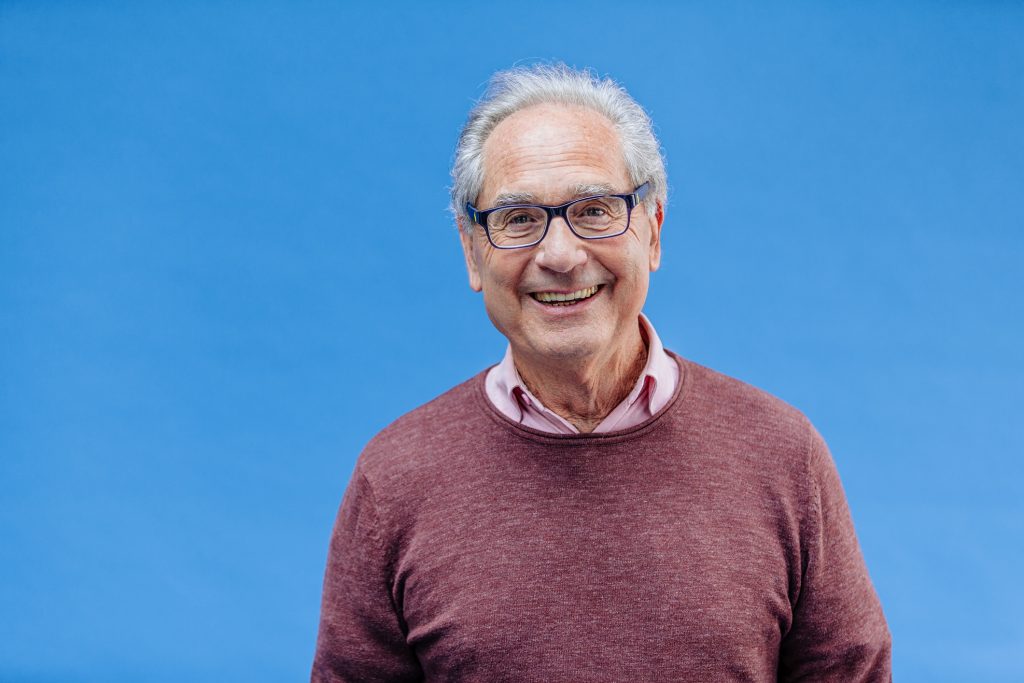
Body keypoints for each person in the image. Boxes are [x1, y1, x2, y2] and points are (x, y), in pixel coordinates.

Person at [311, 64, 891, 682]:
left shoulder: (782, 455)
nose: (560, 255)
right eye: (518, 218)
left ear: (653, 232)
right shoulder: (394, 479)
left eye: (594, 210)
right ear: (472, 251)